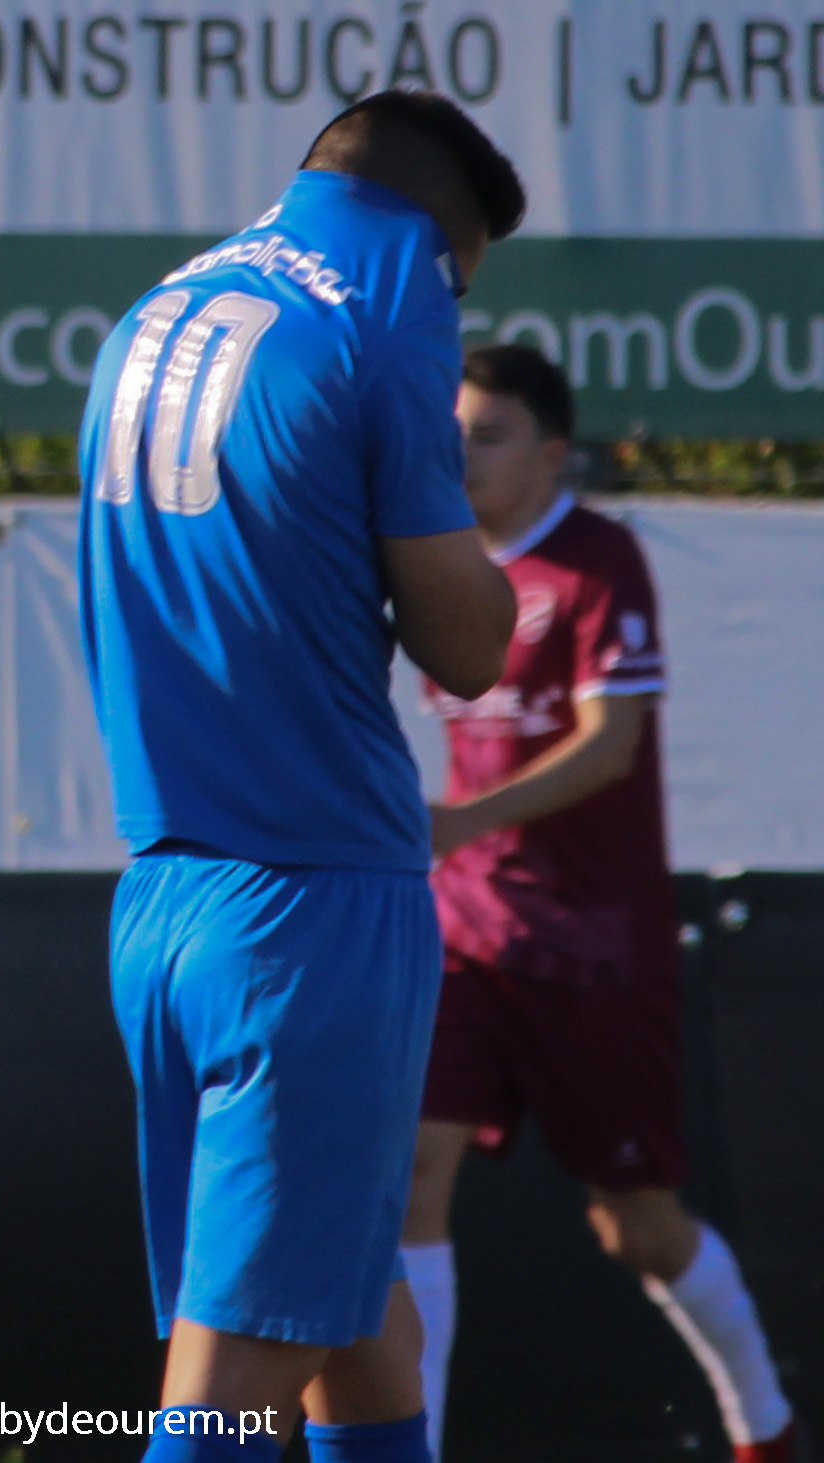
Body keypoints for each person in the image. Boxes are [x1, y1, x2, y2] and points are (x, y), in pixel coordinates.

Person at [78, 90, 524, 1463]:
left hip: (166, 899)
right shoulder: (387, 306)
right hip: (312, 909)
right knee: (224, 1393)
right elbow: (467, 644)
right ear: (441, 241)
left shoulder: (157, 312)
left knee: (349, 1311)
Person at [401, 344, 808, 1463]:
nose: (460, 452)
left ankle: (763, 1424)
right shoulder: (438, 565)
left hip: (590, 944)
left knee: (636, 1225)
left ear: (549, 449)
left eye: (487, 433)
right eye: (452, 431)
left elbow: (608, 744)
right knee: (407, 1176)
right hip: (460, 932)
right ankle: (407, 1445)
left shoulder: (598, 559)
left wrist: (454, 823)